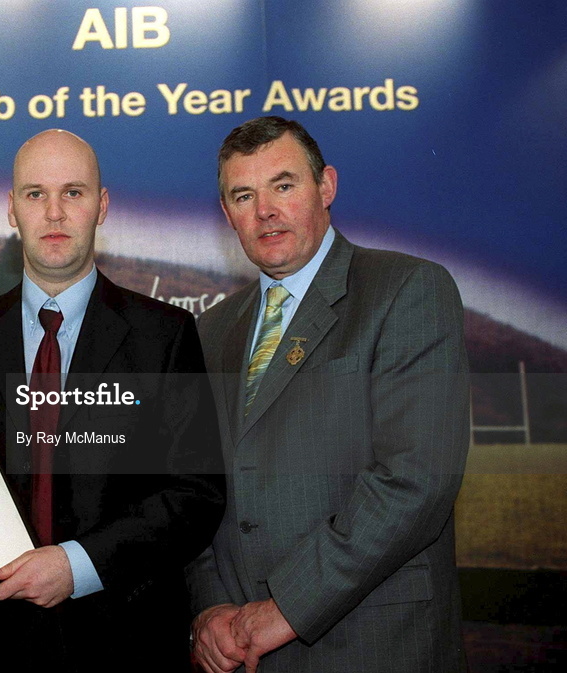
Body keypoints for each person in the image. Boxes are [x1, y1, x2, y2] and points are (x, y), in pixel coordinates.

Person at [0, 129, 226, 672]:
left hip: (124, 640)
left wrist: (78, 564)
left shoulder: (166, 335)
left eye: (74, 192)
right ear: (11, 209)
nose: (55, 212)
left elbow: (194, 493)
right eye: (35, 194)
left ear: (102, 206)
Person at [187, 116, 470, 673]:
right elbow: (194, 489)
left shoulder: (407, 291)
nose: (264, 209)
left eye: (284, 185)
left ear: (327, 187)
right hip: (241, 652)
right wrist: (209, 607)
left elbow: (416, 480)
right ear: (227, 215)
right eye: (244, 195)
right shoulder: (209, 332)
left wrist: (286, 607)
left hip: (374, 645)